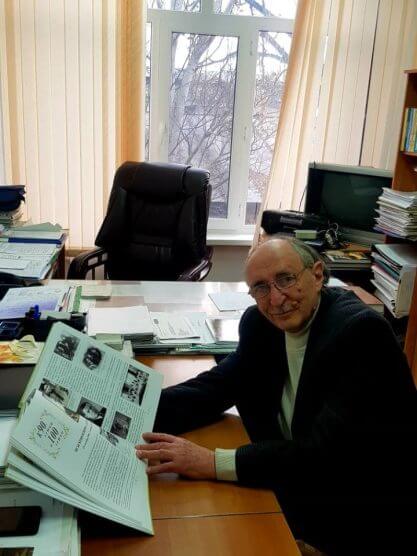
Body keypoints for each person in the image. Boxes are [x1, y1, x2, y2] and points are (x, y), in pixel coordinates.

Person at [135, 238, 417, 555]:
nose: (276, 298)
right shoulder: (261, 324)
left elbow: (321, 457)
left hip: (360, 510)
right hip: (295, 482)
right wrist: (131, 408)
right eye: (260, 288)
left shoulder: (360, 334)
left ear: (317, 275)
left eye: (285, 279)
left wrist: (211, 462)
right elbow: (215, 387)